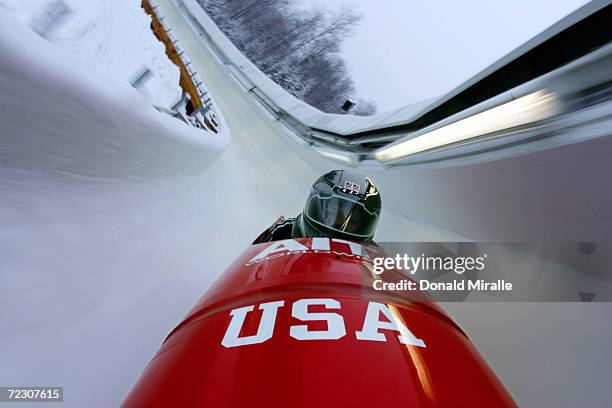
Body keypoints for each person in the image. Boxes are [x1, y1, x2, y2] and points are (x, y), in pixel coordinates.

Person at [253, 169, 381, 244]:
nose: (338, 224)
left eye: (351, 221)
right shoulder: (281, 231)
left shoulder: (373, 257)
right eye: (332, 213)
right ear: (317, 210)